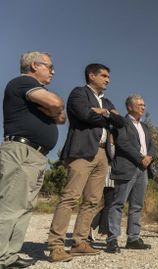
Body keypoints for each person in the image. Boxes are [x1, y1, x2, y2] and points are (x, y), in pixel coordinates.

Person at [47, 64, 124, 262]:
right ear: (91, 75)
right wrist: (107, 116)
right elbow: (84, 114)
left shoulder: (105, 101)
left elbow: (121, 122)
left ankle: (80, 242)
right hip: (82, 152)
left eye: (109, 76)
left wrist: (104, 112)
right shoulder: (78, 93)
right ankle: (56, 245)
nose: (108, 79)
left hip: (102, 155)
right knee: (70, 197)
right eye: (104, 76)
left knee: (92, 200)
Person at [0, 51, 65, 268]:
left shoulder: (31, 90)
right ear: (35, 65)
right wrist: (52, 108)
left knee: (25, 207)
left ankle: (9, 256)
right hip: (21, 151)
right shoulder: (22, 83)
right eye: (50, 66)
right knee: (11, 206)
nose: (53, 71)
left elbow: (62, 117)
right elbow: (56, 103)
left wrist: (54, 109)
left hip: (36, 156)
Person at [106, 95, 156, 253]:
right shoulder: (122, 122)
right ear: (130, 107)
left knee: (137, 206)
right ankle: (112, 239)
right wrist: (140, 158)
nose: (143, 107)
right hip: (127, 167)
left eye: (144, 104)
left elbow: (152, 145)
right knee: (118, 203)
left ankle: (133, 238)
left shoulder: (145, 127)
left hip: (143, 170)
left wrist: (149, 157)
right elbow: (122, 143)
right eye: (140, 104)